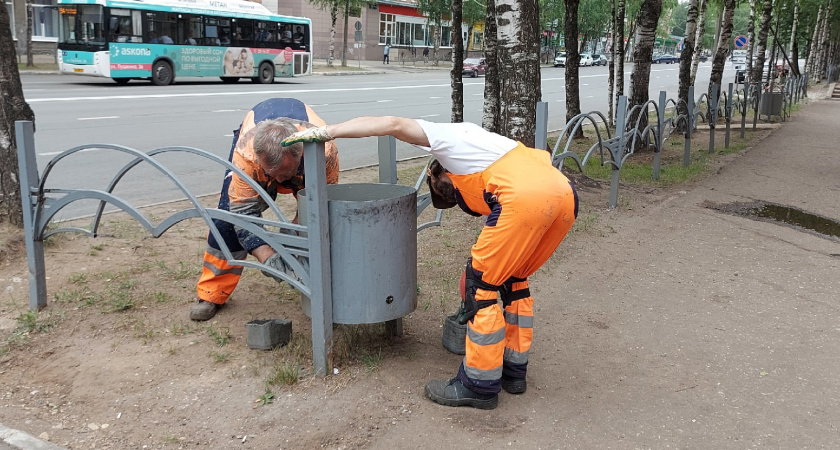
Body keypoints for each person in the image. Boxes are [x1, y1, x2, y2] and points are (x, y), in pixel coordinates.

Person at [281, 118, 578, 410]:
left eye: (439, 185)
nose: (447, 193)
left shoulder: (449, 139)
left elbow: (392, 125)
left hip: (526, 199)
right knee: (514, 279)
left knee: (481, 287)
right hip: (563, 195)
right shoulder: (490, 150)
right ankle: (514, 371)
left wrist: (328, 131)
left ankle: (479, 385)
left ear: (439, 169)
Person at [190, 98, 340, 321]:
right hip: (260, 163)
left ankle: (321, 282)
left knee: (315, 219)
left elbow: (320, 206)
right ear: (258, 158)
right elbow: (241, 213)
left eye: (283, 174)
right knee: (225, 219)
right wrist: (268, 257)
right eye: (272, 174)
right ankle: (212, 292)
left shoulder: (324, 152)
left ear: (298, 155)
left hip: (307, 163)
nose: (279, 181)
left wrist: (293, 233)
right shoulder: (245, 155)